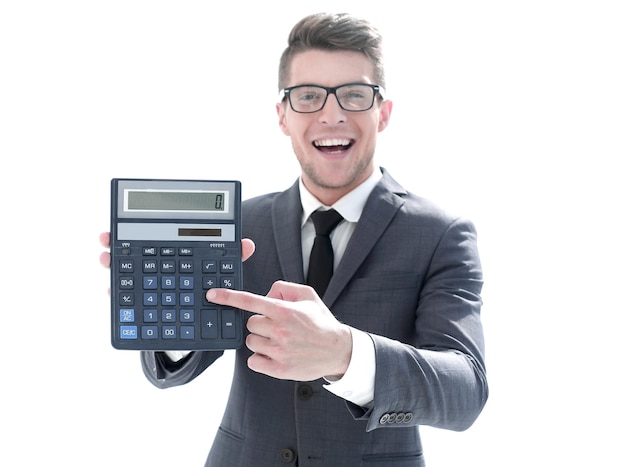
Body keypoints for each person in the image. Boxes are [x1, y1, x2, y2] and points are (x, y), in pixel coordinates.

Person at [100, 12, 487, 466]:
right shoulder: (240, 225)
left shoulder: (441, 233)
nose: (332, 114)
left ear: (382, 113)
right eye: (308, 96)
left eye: (355, 95)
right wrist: (169, 309)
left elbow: (465, 392)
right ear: (283, 116)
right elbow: (170, 373)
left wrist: (344, 354)